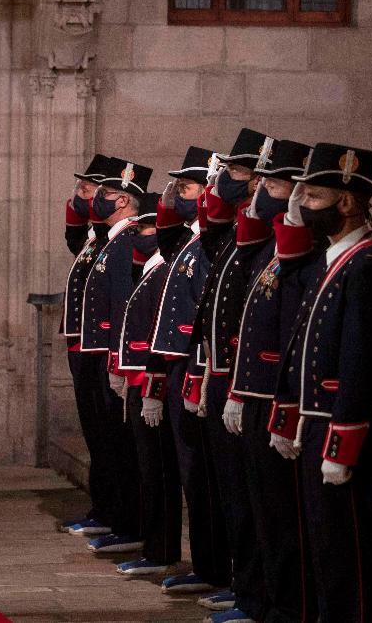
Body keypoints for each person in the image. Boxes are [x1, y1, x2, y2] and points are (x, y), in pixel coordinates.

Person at [269, 143, 372, 622]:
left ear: (347, 201)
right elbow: (302, 342)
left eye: (316, 197)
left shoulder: (367, 265)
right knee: (323, 540)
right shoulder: (334, 258)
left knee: (346, 541)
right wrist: (287, 414)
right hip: (316, 421)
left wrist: (342, 446)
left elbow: (359, 361)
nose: (305, 205)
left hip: (342, 425)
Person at [226, 139, 317, 622]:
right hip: (257, 393)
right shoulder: (273, 249)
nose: (262, 189)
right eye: (260, 179)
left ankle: (286, 607)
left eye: (275, 182)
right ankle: (262, 600)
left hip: (281, 399)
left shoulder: (305, 253)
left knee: (282, 519)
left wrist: (282, 405)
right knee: (261, 511)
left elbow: (293, 336)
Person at [188, 128, 275, 623]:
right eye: (246, 175)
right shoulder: (238, 240)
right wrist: (224, 184)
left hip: (250, 384)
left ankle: (259, 594)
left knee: (254, 501)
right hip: (224, 375)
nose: (248, 185)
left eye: (256, 175)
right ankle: (246, 588)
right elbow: (213, 224)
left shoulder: (268, 245)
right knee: (234, 496)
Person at [143, 146, 229, 598]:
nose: (178, 192)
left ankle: (217, 568)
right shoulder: (192, 240)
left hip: (198, 372)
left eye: (189, 187)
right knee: (193, 479)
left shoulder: (210, 243)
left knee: (203, 480)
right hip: (180, 372)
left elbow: (205, 317)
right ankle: (206, 564)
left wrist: (196, 379)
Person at [76, 159, 153, 557]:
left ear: (123, 199)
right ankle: (117, 518)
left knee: (121, 446)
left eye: (104, 192)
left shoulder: (125, 243)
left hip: (114, 359)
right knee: (108, 440)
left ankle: (127, 522)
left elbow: (124, 306)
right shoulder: (111, 240)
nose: (96, 198)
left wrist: (117, 362)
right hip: (103, 356)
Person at [114, 193, 183, 578]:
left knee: (157, 470)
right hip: (139, 380)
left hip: (150, 382)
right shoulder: (151, 270)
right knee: (147, 467)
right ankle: (154, 546)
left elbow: (160, 336)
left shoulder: (162, 271)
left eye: (145, 227)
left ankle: (161, 549)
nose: (139, 233)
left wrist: (152, 391)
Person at [59, 154, 124, 537]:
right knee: (96, 436)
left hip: (100, 350)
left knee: (109, 436)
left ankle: (114, 513)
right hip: (83, 346)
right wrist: (76, 202)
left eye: (94, 189)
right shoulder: (93, 239)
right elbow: (74, 238)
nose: (87, 196)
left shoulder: (117, 239)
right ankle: (103, 509)